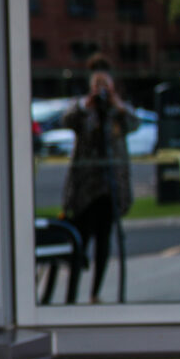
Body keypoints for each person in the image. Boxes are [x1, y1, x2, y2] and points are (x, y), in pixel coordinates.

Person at [61, 54, 138, 303]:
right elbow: (67, 119)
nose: (102, 90)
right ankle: (71, 296)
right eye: (98, 84)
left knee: (104, 239)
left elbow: (135, 122)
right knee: (79, 239)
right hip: (86, 188)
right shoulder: (84, 109)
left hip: (109, 187)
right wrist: (89, 104)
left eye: (106, 84)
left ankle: (95, 293)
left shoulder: (117, 112)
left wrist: (116, 103)